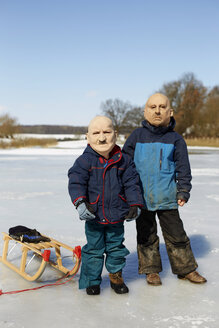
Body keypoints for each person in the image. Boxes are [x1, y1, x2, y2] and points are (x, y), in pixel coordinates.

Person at [123, 93, 207, 286]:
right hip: (141, 198)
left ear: (170, 112)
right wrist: (126, 193)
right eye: (152, 107)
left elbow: (183, 169)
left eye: (162, 107)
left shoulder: (175, 139)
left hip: (167, 197)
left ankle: (186, 269)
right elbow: (125, 165)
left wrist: (183, 190)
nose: (157, 111)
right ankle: (151, 271)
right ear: (145, 112)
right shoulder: (136, 137)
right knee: (146, 236)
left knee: (176, 235)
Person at [68, 115, 144, 295]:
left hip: (117, 216)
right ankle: (92, 281)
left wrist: (135, 204)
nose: (101, 137)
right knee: (93, 250)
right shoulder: (84, 161)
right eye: (96, 133)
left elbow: (132, 183)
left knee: (116, 249)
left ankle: (116, 278)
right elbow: (76, 182)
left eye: (106, 132)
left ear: (115, 134)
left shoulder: (124, 160)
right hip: (94, 216)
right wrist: (80, 202)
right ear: (87, 137)